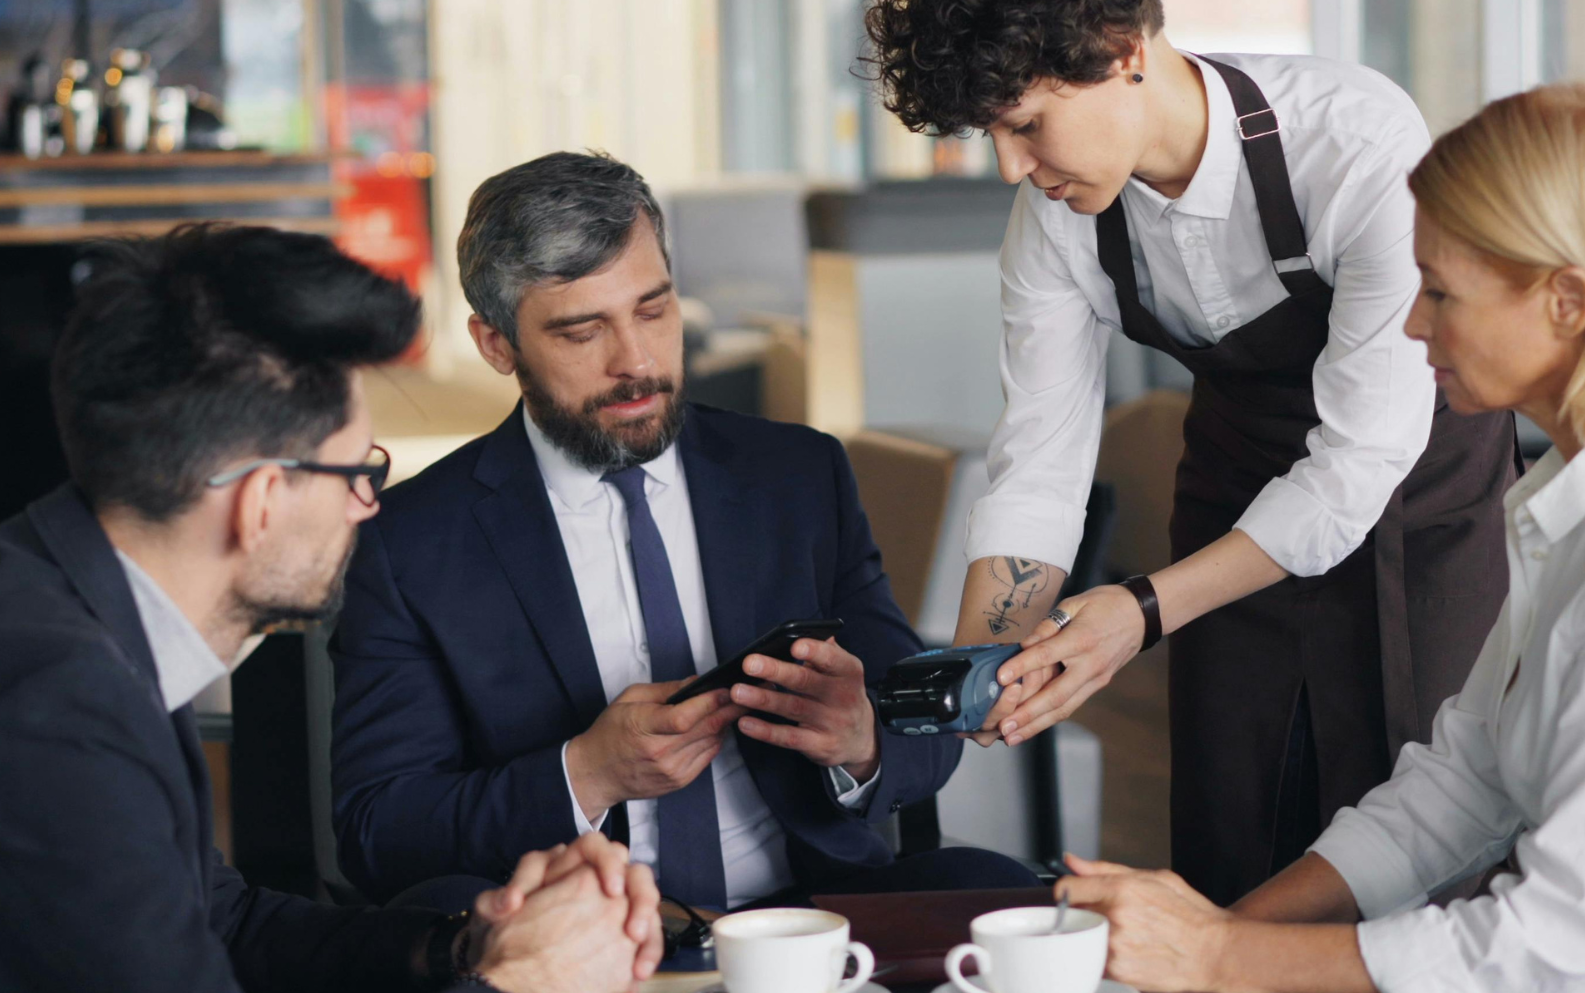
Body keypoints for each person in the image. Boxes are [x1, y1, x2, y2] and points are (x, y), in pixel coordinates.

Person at [862, 0, 1520, 903]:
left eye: (1025, 123)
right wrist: (994, 662)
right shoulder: (1055, 220)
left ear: (1123, 52)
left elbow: (1353, 468)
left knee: (1422, 843)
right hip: (1232, 500)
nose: (1009, 167)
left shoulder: (1353, 148)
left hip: (1411, 508)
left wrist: (1131, 610)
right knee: (1234, 830)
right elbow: (1038, 462)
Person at [1058, 85, 1585, 993]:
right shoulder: (1576, 487)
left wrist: (1216, 957)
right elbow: (1466, 782)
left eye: (1440, 291)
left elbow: (1552, 944)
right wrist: (1216, 930)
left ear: (1568, 302)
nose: (1413, 323)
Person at [328, 152, 1037, 912]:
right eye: (581, 332)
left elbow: (918, 730)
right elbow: (381, 832)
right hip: (580, 935)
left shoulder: (797, 477)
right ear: (497, 345)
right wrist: (587, 774)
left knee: (1007, 896)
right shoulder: (410, 543)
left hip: (809, 911)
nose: (635, 362)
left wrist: (860, 736)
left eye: (654, 309)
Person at [0, 223, 664, 993]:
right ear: (262, 500)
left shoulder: (83, 604)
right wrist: (515, 984)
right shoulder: (57, 712)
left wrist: (468, 944)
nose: (365, 506)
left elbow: (224, 923)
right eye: (357, 471)